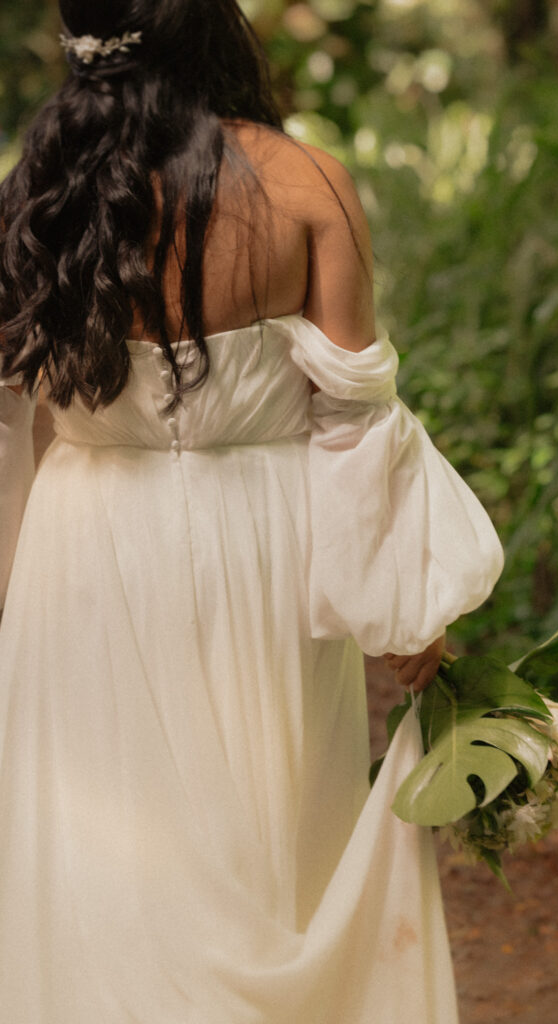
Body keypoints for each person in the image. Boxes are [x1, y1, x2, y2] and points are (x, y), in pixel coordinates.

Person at [0, 1, 504, 1020]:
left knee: (95, 858)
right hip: (258, 552)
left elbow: (9, 421)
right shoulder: (302, 181)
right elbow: (354, 418)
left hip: (82, 547)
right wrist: (399, 606)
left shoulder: (41, 194)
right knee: (269, 844)